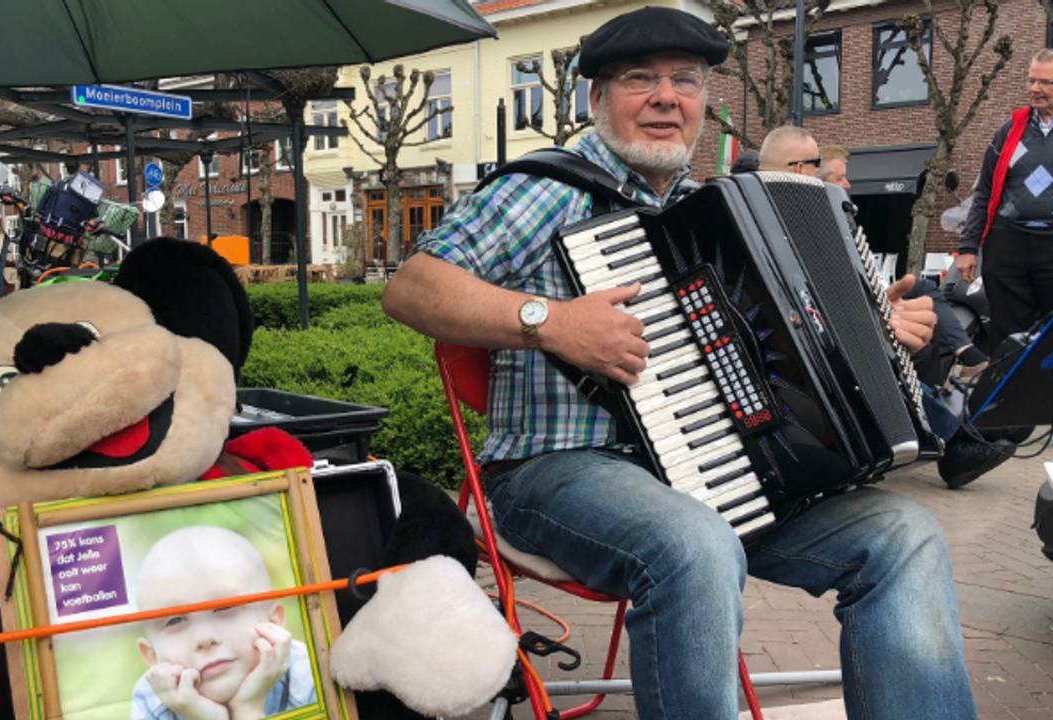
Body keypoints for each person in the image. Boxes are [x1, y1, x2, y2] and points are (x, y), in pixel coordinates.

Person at [382, 7, 977, 718]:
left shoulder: (714, 211)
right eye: (641, 79)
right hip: (559, 470)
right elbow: (410, 288)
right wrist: (551, 321)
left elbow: (794, 350)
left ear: (703, 102)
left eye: (685, 80)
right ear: (597, 98)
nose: (667, 96)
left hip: (724, 476)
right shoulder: (542, 190)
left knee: (904, 536)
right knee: (695, 546)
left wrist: (883, 333)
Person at [764, 126, 1010, 487]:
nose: (843, 184)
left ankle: (949, 438)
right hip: (789, 343)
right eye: (821, 169)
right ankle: (954, 442)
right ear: (801, 168)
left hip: (822, 328)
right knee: (876, 354)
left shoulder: (808, 214)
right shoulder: (771, 214)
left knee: (894, 342)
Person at [131, 526, 316, 720]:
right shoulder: (151, 699)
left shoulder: (308, 677)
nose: (205, 638)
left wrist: (249, 711)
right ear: (152, 657)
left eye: (224, 607)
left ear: (274, 622)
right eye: (175, 620)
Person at [957, 49, 1053, 345]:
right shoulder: (1010, 132)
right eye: (1031, 81)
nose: (1034, 89)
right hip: (1007, 244)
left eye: (1045, 82)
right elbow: (984, 191)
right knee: (1008, 335)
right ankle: (1010, 391)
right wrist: (968, 247)